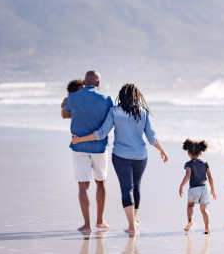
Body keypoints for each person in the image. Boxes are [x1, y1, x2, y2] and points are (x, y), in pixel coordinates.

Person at [72, 83, 169, 236]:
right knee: (136, 187)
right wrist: (162, 150)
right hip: (140, 156)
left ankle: (131, 226)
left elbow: (102, 133)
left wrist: (80, 139)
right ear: (136, 96)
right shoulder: (142, 113)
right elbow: (152, 137)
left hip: (121, 156)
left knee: (126, 189)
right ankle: (133, 221)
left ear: (121, 97)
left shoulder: (114, 111)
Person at [61, 71, 113, 234]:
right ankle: (100, 221)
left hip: (79, 147)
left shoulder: (73, 98)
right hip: (99, 147)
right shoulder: (106, 98)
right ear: (98, 83)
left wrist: (73, 109)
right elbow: (110, 119)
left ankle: (87, 225)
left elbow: (64, 114)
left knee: (83, 186)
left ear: (84, 82)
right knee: (101, 182)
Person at [178, 139, 217, 234]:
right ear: (201, 153)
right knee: (204, 210)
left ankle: (190, 221)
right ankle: (207, 227)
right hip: (205, 188)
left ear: (188, 153)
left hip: (194, 189)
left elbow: (187, 175)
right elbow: (210, 177)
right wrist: (212, 190)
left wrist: (181, 186)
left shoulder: (188, 164)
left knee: (190, 205)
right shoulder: (205, 163)